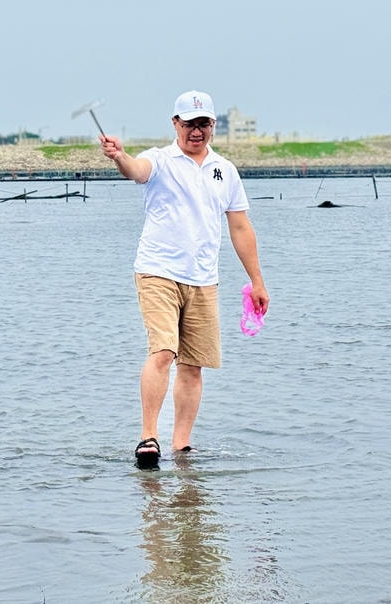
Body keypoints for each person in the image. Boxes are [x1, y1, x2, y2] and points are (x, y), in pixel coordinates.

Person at [101, 90, 270, 468]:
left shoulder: (224, 170)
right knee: (163, 351)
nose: (197, 131)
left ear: (213, 126)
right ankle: (149, 436)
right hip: (158, 271)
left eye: (204, 123)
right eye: (190, 123)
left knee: (193, 366)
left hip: (204, 278)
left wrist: (257, 281)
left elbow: (240, 226)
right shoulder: (160, 160)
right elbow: (136, 171)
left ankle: (181, 446)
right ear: (175, 124)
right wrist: (120, 157)